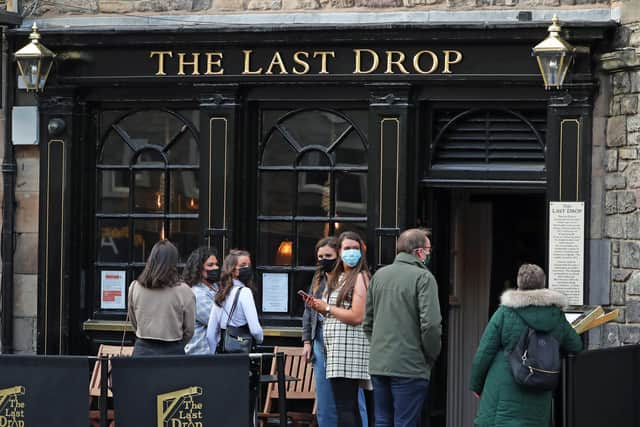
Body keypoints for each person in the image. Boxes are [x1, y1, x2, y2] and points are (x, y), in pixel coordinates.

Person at [469, 263, 583, 427]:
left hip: (502, 395)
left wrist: (476, 385)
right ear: (543, 284)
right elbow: (576, 346)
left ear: (519, 284)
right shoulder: (556, 317)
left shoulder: (505, 313)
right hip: (538, 398)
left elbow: (484, 353)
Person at [363, 228, 442, 427]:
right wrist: (431, 355)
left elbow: (367, 322)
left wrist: (379, 347)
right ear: (418, 252)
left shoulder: (379, 276)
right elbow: (431, 325)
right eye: (428, 249)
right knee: (405, 422)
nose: (429, 253)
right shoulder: (424, 278)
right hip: (410, 364)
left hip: (379, 363)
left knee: (382, 420)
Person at [306, 231, 373, 427]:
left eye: (355, 248)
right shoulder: (340, 277)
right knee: (346, 407)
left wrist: (326, 308)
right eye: (347, 248)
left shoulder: (359, 277)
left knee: (346, 408)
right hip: (336, 349)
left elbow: (357, 316)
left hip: (348, 350)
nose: (351, 252)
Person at [128, 239, 195, 356]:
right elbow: (189, 330)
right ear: (174, 262)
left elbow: (134, 322)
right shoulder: (184, 290)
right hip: (173, 351)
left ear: (151, 259)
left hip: (142, 350)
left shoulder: (134, 287)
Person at [206, 249, 263, 352]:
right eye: (243, 265)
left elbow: (210, 334)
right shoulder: (245, 292)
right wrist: (260, 340)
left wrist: (214, 352)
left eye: (248, 265)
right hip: (241, 352)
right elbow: (255, 330)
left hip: (223, 353)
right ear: (233, 270)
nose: (247, 268)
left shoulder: (220, 293)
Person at [183, 246, 220, 355]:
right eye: (210, 265)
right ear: (198, 268)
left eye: (216, 264)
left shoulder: (215, 287)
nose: (215, 268)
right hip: (200, 354)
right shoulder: (197, 294)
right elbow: (217, 321)